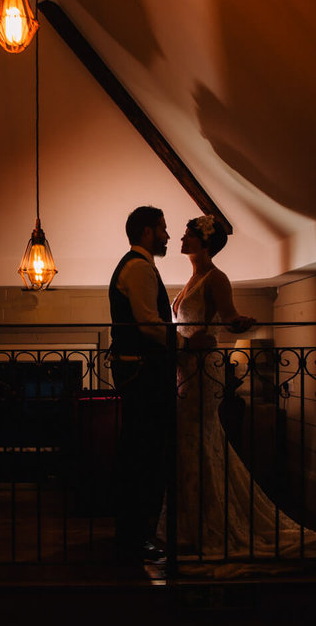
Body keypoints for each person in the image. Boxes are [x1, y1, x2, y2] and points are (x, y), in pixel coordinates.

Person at [168, 215, 316, 571]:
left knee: (200, 439)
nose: (181, 237)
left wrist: (239, 323)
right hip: (183, 369)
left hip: (202, 370)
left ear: (204, 242)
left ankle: (212, 522)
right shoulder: (192, 278)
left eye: (188, 234)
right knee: (188, 442)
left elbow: (227, 316)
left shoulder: (216, 278)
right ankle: (190, 521)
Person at [108, 205, 193, 563]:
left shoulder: (136, 266)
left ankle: (134, 535)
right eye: (162, 228)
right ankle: (135, 539)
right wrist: (187, 346)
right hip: (142, 375)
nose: (168, 235)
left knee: (141, 453)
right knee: (143, 455)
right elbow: (149, 325)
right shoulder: (139, 268)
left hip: (139, 373)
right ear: (146, 232)